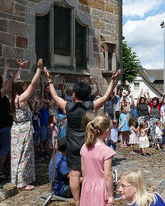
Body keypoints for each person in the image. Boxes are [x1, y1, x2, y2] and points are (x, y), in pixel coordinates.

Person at [44, 67, 120, 205]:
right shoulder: (90, 105)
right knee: (90, 173)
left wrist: (49, 80)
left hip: (72, 144)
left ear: (74, 95)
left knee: (74, 173)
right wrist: (112, 82)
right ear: (87, 95)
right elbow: (104, 97)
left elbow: (55, 96)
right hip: (88, 142)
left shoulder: (68, 106)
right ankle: (90, 196)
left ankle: (79, 202)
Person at [10, 59, 43, 191]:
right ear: (20, 88)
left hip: (16, 128)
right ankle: (22, 182)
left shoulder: (12, 97)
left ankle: (17, 179)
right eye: (23, 85)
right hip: (23, 129)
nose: (25, 86)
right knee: (25, 154)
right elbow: (33, 85)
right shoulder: (21, 99)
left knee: (16, 154)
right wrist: (39, 69)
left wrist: (20, 69)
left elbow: (15, 83)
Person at [0, 61, 23, 188]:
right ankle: (0, 173)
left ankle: (4, 171)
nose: (4, 82)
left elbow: (7, 83)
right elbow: (9, 83)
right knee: (4, 150)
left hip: (6, 125)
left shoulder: (1, 94)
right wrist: (18, 68)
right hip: (4, 126)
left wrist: (6, 70)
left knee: (6, 149)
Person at [80, 114, 115, 206]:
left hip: (86, 185)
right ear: (107, 131)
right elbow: (107, 175)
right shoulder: (107, 151)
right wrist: (111, 195)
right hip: (100, 188)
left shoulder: (84, 147)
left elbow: (83, 169)